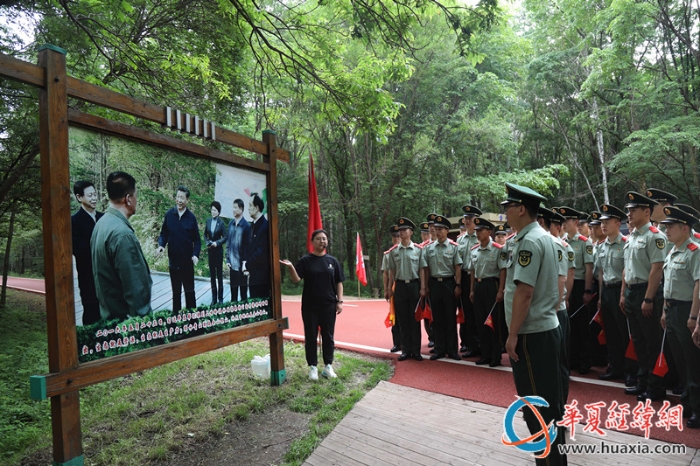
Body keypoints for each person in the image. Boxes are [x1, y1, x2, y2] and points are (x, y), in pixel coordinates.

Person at [501, 183, 566, 466]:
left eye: (508, 208)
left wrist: (512, 334)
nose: (505, 213)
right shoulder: (547, 238)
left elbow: (525, 292)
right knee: (550, 404)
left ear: (521, 209)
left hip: (532, 333)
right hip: (547, 326)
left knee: (536, 408)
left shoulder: (528, 241)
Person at [280, 229, 345, 380]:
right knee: (310, 336)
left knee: (328, 336)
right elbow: (296, 279)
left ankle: (328, 366)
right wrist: (290, 267)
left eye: (324, 239)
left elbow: (339, 282)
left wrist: (340, 301)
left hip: (329, 305)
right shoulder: (305, 261)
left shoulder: (332, 261)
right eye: (318, 239)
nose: (322, 241)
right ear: (312, 242)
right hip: (310, 306)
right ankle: (313, 367)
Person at [621, 191, 667, 401]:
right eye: (628, 210)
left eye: (633, 210)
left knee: (651, 341)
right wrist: (623, 294)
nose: (628, 214)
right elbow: (627, 268)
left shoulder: (655, 236)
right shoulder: (632, 237)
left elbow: (656, 269)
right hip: (631, 291)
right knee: (638, 340)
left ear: (647, 211)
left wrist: (648, 299)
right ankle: (642, 381)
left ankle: (655, 386)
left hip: (646, 291)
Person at [91, 171, 152, 321]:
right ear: (128, 199)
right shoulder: (122, 235)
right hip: (125, 327)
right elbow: (137, 291)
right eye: (135, 195)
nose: (137, 199)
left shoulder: (101, 224)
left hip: (108, 320)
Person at [660, 206, 700, 428]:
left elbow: (698, 285)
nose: (666, 231)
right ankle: (687, 400)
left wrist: (694, 317)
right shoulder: (673, 250)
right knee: (680, 360)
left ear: (684, 227)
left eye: (670, 227)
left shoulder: (695, 251)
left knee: (693, 361)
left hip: (687, 310)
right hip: (673, 310)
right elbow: (668, 286)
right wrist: (665, 311)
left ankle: (698, 408)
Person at [596, 204, 637, 387]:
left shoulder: (626, 243)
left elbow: (627, 270)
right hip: (606, 290)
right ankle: (615, 367)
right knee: (611, 331)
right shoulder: (602, 246)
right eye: (602, 222)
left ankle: (631, 371)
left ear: (617, 223)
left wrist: (622, 294)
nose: (603, 225)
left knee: (624, 332)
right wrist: (600, 296)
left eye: (607, 222)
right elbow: (601, 272)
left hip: (621, 291)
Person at [420, 214, 462, 361]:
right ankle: (439, 349)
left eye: (440, 229)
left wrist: (458, 285)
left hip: (449, 283)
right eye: (435, 229)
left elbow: (457, 267)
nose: (437, 232)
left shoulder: (454, 247)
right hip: (434, 284)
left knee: (450, 317)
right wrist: (424, 286)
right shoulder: (429, 248)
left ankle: (452, 350)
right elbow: (425, 269)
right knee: (436, 319)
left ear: (447, 230)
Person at [559, 206, 594, 374]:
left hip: (579, 284)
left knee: (582, 325)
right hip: (565, 284)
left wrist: (587, 291)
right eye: (562, 221)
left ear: (576, 222)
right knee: (569, 324)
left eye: (567, 221)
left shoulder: (584, 242)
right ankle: (571, 358)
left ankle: (585, 361)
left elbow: (589, 268)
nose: (564, 224)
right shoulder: (561, 240)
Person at [468, 217, 506, 367]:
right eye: (476, 231)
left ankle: (495, 356)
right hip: (478, 286)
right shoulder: (474, 250)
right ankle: (485, 354)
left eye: (481, 230)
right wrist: (471, 290)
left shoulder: (497, 249)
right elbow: (472, 272)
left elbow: (503, 270)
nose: (477, 233)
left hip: (492, 286)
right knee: (481, 321)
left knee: (494, 322)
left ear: (489, 232)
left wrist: (501, 290)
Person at [157, 186, 201, 313]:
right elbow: (163, 233)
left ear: (187, 200)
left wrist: (195, 255)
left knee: (190, 293)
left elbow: (197, 240)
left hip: (187, 263)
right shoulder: (169, 215)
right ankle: (176, 321)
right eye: (178, 197)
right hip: (173, 262)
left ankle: (193, 322)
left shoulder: (191, 218)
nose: (179, 200)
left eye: (182, 198)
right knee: (176, 293)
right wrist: (161, 245)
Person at [386, 217, 423, 361]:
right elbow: (391, 272)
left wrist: (423, 287)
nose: (401, 232)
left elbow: (422, 270)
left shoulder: (418, 250)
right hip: (400, 286)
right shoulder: (394, 251)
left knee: (415, 319)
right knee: (403, 320)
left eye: (404, 230)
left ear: (411, 232)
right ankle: (406, 350)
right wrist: (389, 289)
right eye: (400, 230)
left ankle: (416, 350)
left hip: (414, 285)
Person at [72, 180, 104, 325]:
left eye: (95, 194)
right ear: (79, 197)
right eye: (90, 195)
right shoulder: (74, 221)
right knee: (91, 313)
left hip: (108, 278)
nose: (94, 198)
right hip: (88, 276)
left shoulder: (104, 218)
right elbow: (78, 249)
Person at [458, 205, 482, 357]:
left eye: (470, 219)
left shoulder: (481, 238)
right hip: (464, 278)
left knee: (478, 313)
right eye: (465, 218)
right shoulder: (460, 240)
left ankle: (480, 345)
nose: (467, 221)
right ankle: (470, 344)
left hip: (478, 278)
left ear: (476, 220)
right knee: (467, 313)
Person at [244, 193, 270, 298]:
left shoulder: (265, 226)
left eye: (250, 205)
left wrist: (247, 265)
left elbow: (261, 252)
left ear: (257, 208)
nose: (248, 208)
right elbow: (248, 246)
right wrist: (245, 263)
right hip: (252, 274)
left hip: (261, 276)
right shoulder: (252, 226)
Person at [226, 198, 251, 301]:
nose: (233, 210)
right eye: (233, 207)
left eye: (235, 207)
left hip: (241, 266)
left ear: (241, 209)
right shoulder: (231, 224)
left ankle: (244, 315)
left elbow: (247, 247)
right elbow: (228, 243)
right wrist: (227, 259)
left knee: (243, 293)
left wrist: (245, 265)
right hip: (232, 265)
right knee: (233, 293)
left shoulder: (246, 226)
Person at [383, 225, 402, 352]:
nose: (396, 239)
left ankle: (408, 342)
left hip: (404, 286)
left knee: (407, 316)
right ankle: (397, 343)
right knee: (394, 316)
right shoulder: (388, 254)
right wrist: (386, 289)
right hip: (393, 288)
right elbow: (385, 273)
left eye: (398, 236)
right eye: (394, 236)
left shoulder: (412, 249)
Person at [205, 201, 227, 305]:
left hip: (218, 252)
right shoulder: (208, 221)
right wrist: (207, 242)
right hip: (210, 252)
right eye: (212, 210)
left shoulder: (221, 223)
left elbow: (225, 237)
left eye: (215, 210)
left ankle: (221, 299)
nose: (213, 212)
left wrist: (217, 243)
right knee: (212, 276)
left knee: (219, 275)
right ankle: (214, 299)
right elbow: (205, 235)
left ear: (218, 212)